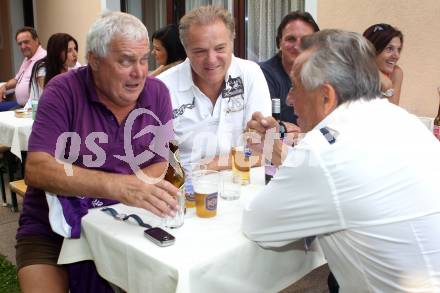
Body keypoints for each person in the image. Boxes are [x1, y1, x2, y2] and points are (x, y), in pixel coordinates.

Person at [243, 29, 440, 292]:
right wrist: (275, 150)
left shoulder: (323, 151)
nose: (289, 98)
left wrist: (278, 153)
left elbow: (259, 226)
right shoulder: (402, 120)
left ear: (326, 96)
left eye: (296, 86)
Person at [16, 11, 179, 292]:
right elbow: (37, 168)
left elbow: (161, 160)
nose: (139, 72)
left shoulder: (157, 92)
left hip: (121, 221)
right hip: (51, 226)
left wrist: (128, 194)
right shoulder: (62, 90)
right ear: (93, 60)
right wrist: (119, 187)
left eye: (143, 60)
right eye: (126, 61)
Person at [158, 5, 271, 170]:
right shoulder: (163, 88)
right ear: (185, 48)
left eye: (220, 48)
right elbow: (160, 163)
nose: (211, 60)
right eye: (200, 51)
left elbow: (262, 152)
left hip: (243, 187)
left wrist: (211, 166)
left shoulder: (250, 73)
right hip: (185, 190)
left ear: (233, 41)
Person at [259, 11, 319, 126]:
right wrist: (285, 130)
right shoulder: (261, 75)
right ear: (279, 43)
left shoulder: (325, 75)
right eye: (291, 39)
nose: (297, 46)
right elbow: (266, 128)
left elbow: (332, 128)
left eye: (305, 40)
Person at [0, 27, 47, 111]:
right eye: (20, 44)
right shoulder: (27, 59)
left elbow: (44, 91)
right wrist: (5, 86)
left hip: (30, 109)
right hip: (20, 104)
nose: (23, 46)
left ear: (36, 40)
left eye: (26, 42)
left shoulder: (43, 59)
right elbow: (16, 79)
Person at [27, 33, 79, 103]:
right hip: (38, 110)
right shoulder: (42, 68)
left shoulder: (76, 66)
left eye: (75, 49)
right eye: (69, 51)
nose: (75, 54)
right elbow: (53, 97)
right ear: (57, 52)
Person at [363, 23, 403, 105]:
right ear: (371, 50)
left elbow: (393, 113)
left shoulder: (395, 73)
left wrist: (387, 86)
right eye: (389, 49)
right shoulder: (353, 73)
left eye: (398, 49)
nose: (397, 56)